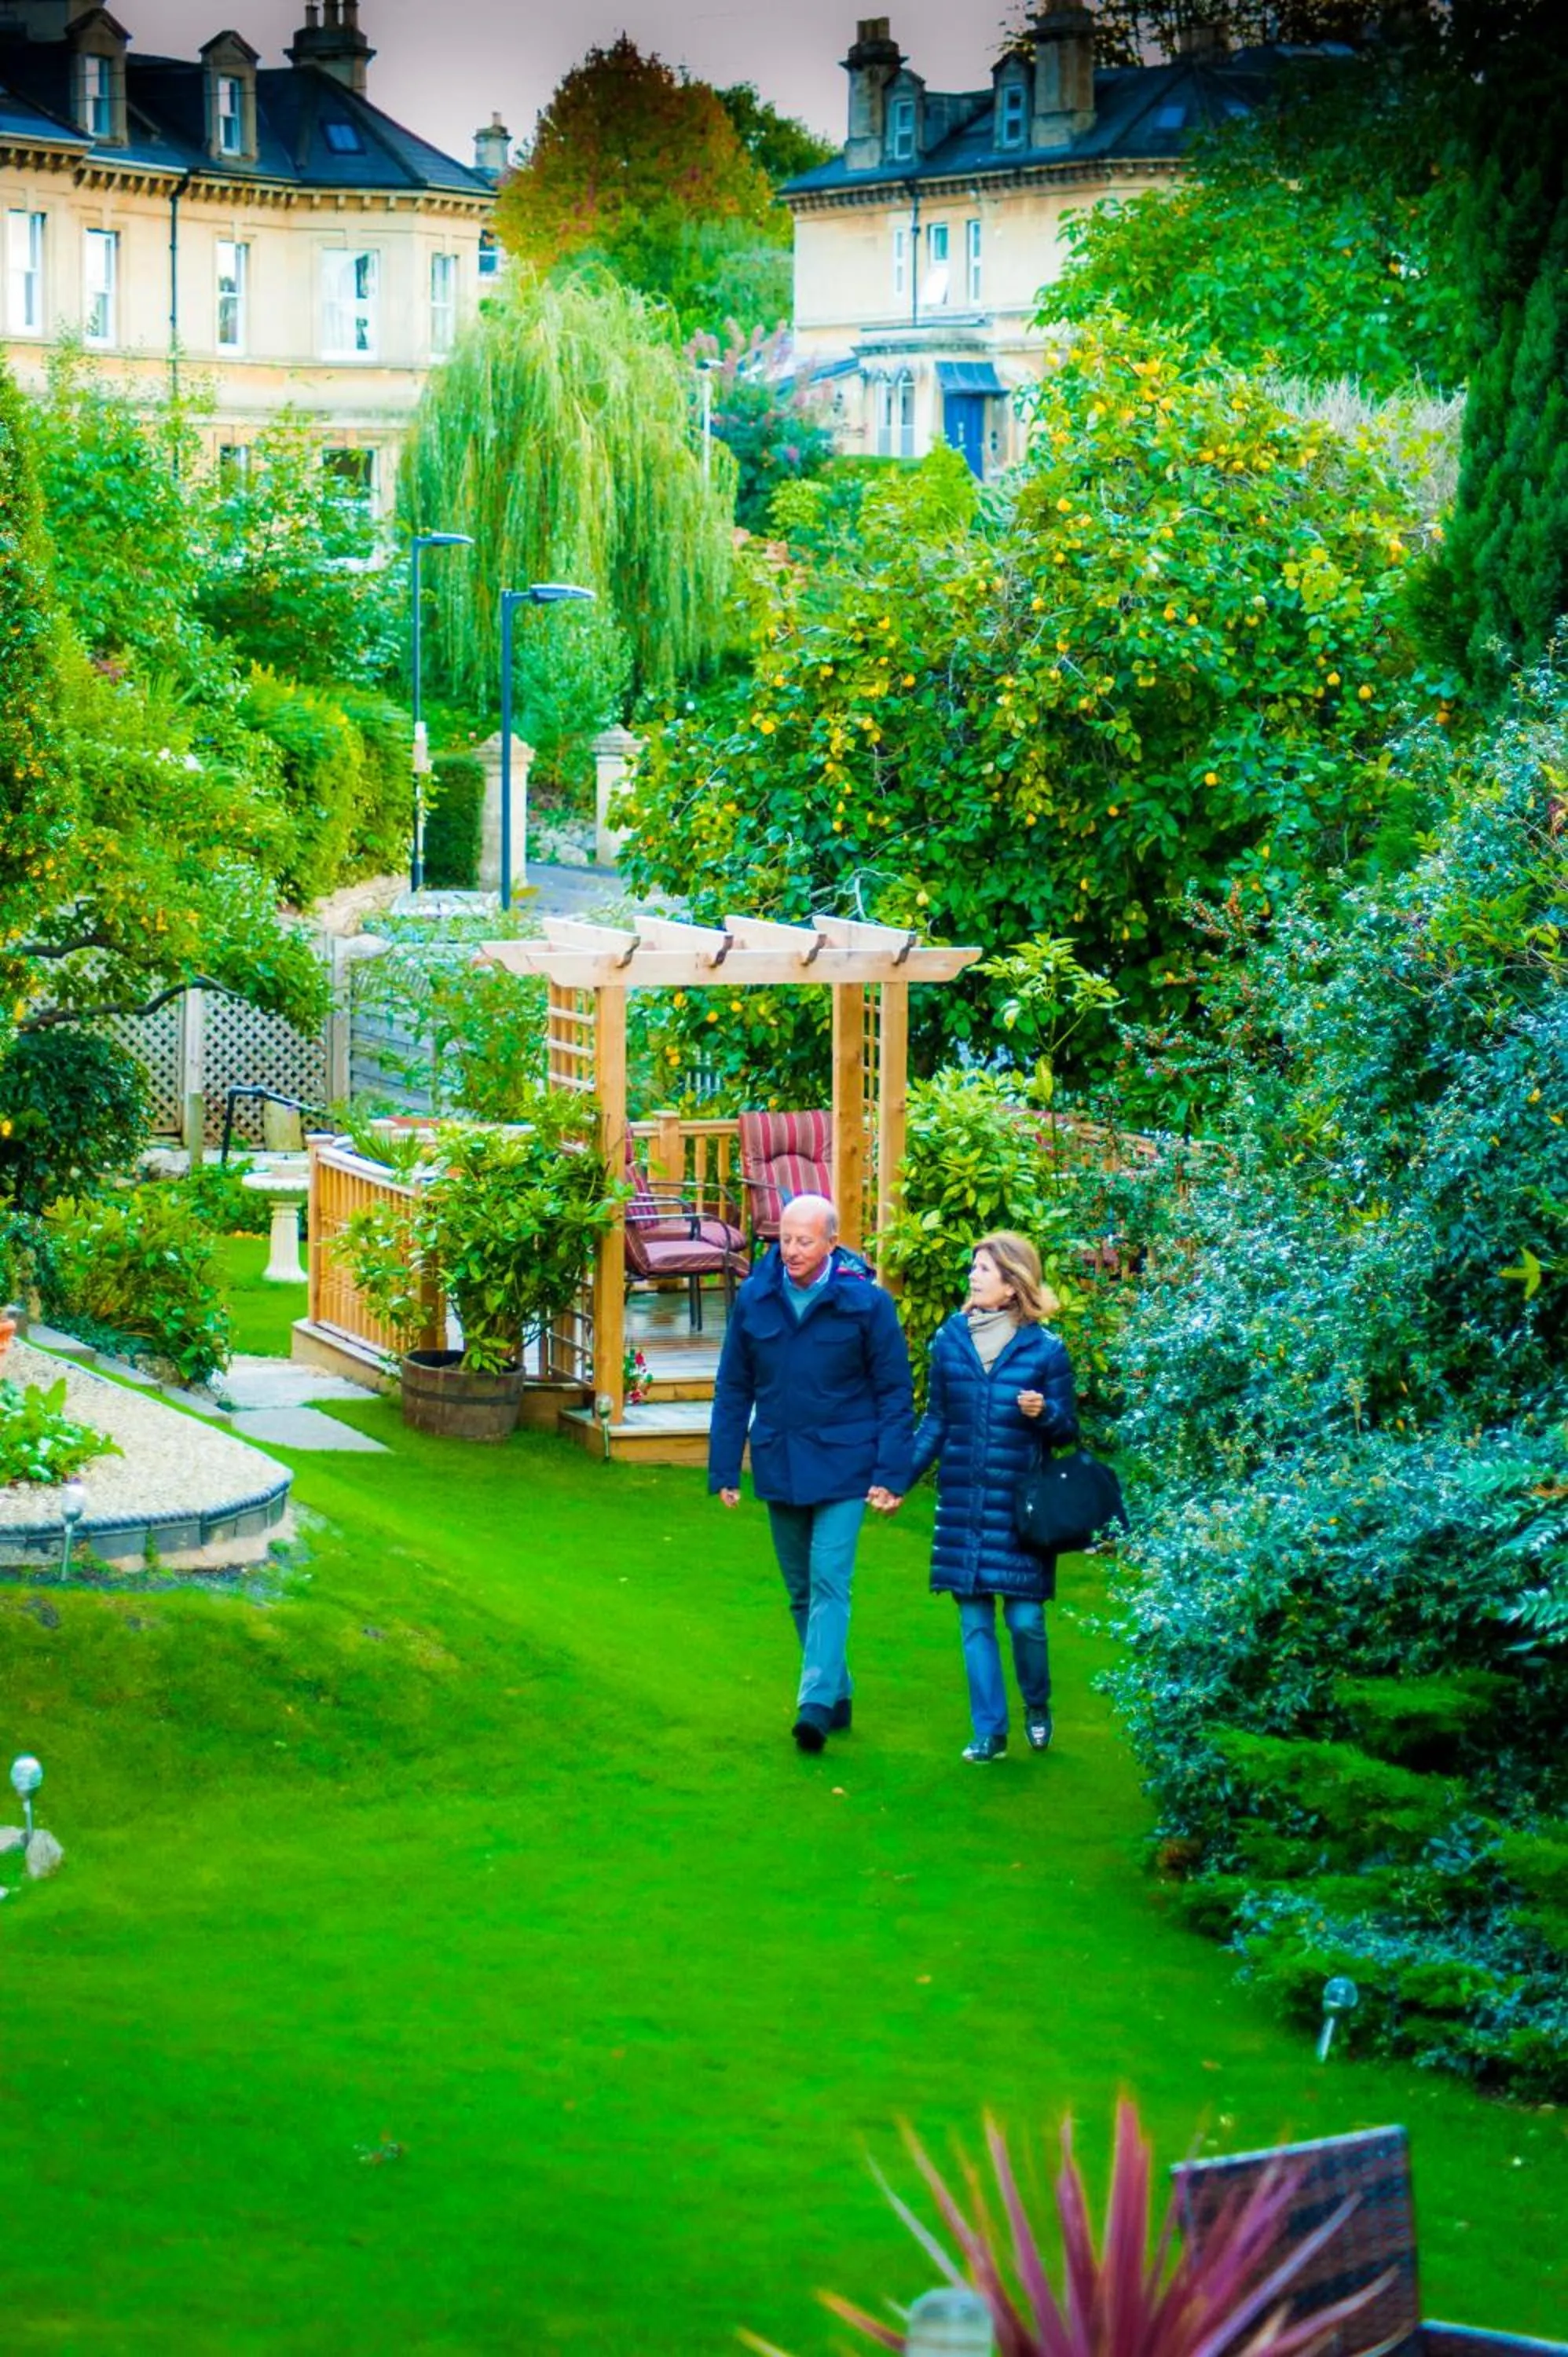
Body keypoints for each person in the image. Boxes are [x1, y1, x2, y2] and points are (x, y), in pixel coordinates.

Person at [709, 1193, 914, 1754]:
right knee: (799, 1590)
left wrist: (892, 1473)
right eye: (784, 1239)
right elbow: (734, 1387)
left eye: (804, 1241)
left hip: (847, 1463)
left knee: (828, 1580)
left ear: (831, 1242)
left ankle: (815, 1705)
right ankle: (839, 1688)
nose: (792, 1250)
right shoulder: (755, 1299)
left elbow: (896, 1392)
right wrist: (725, 1464)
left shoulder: (867, 1305)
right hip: (780, 1460)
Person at [909, 1230, 1077, 1762]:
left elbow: (1068, 1430)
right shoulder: (949, 1340)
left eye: (984, 1269)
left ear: (1012, 1284)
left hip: (1020, 1511)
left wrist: (1043, 1414)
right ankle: (990, 1732)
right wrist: (896, 1481)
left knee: (1025, 1622)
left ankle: (1037, 1706)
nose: (973, 1276)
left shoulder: (1046, 1350)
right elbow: (935, 1422)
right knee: (974, 1623)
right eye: (974, 1268)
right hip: (963, 1504)